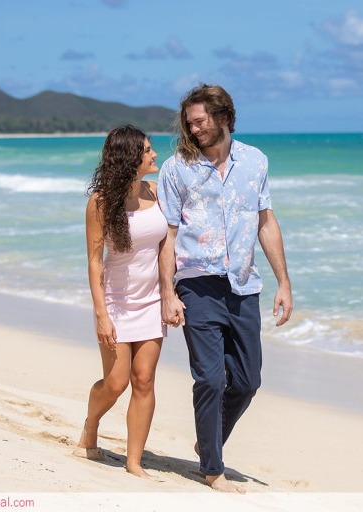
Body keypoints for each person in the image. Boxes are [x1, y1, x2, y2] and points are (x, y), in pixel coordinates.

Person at [157, 84, 293, 493]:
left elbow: (266, 222)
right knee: (210, 379)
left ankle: (207, 441)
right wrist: (168, 292)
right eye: (189, 123)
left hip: (243, 286)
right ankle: (212, 469)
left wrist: (284, 282)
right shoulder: (175, 169)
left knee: (248, 381)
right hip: (197, 284)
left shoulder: (255, 162)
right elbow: (167, 233)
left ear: (222, 117)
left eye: (199, 122)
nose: (193, 129)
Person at [74, 124, 167, 479]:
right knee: (115, 383)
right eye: (147, 150)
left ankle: (134, 461)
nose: (154, 154)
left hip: (151, 301)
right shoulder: (100, 202)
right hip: (115, 301)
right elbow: (95, 261)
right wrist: (101, 314)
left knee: (144, 380)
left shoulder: (157, 193)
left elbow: (167, 248)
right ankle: (91, 423)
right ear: (130, 158)